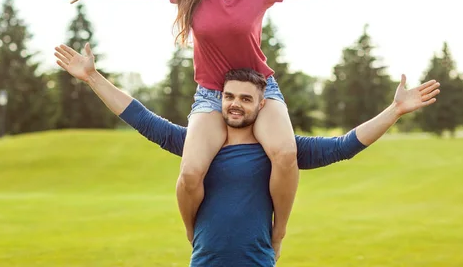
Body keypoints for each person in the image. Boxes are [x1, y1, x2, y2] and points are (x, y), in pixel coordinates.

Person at [61, 0, 420, 252]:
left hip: (260, 90)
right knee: (189, 173)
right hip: (211, 95)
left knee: (285, 153)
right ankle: (193, 232)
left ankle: (278, 233)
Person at [54, 43, 440, 266]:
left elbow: (345, 145)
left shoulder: (280, 152)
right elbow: (138, 115)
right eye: (229, 97)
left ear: (261, 104)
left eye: (245, 98)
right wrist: (91, 76)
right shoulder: (197, 145)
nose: (235, 105)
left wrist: (395, 111)